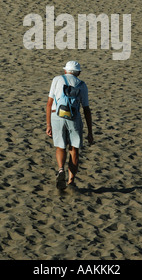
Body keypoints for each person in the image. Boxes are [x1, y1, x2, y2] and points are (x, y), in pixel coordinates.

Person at [46, 61, 94, 189]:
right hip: (74, 116)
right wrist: (90, 132)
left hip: (57, 115)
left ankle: (61, 169)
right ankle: (71, 182)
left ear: (65, 71)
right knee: (74, 149)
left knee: (60, 147)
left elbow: (49, 104)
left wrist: (48, 125)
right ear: (78, 72)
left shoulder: (57, 79)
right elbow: (86, 109)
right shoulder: (82, 85)